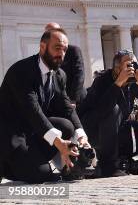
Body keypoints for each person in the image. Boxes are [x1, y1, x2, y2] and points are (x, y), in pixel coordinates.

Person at [0, 28, 90, 183]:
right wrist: (58, 143)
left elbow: (66, 107)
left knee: (66, 125)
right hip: (10, 134)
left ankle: (34, 160)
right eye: (57, 48)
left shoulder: (59, 75)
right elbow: (32, 109)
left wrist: (81, 135)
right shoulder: (21, 71)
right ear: (42, 47)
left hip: (33, 131)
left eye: (64, 49)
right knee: (41, 174)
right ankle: (6, 164)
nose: (61, 54)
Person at [78, 49, 138, 177]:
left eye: (135, 64)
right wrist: (118, 83)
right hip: (94, 131)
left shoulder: (133, 83)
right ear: (117, 69)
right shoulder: (102, 80)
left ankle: (123, 160)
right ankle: (108, 165)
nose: (134, 68)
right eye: (130, 65)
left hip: (117, 130)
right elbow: (101, 110)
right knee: (114, 109)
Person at [44, 22, 86, 104]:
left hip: (75, 99)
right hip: (58, 100)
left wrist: (73, 100)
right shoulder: (46, 54)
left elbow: (79, 75)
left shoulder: (73, 50)